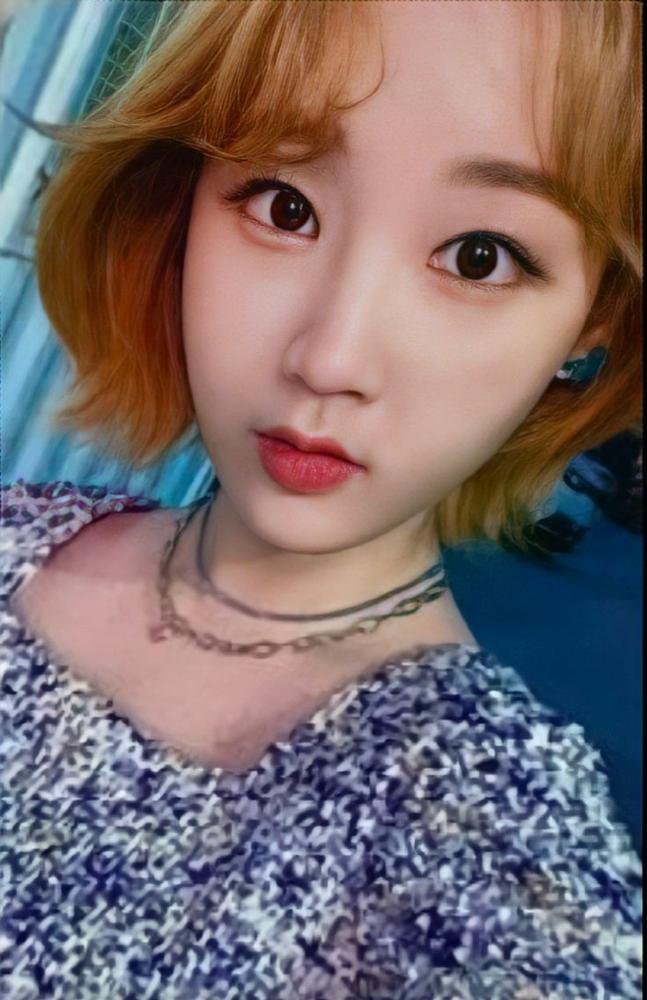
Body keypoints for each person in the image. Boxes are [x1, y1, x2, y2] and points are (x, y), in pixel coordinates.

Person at [0, 2, 642, 997]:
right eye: (284, 206)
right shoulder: (19, 530)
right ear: (183, 199)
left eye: (477, 256)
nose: (330, 357)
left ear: (591, 317)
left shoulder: (483, 824)